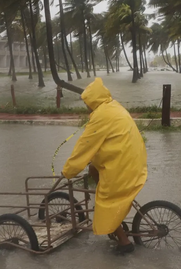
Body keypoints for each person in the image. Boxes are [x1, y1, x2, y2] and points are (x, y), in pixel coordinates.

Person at [62, 77, 148, 254]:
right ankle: (118, 220)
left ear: (93, 101)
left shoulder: (100, 116)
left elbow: (84, 146)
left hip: (123, 166)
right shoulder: (114, 106)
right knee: (93, 168)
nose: (86, 106)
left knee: (105, 202)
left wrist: (68, 171)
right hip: (135, 161)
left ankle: (124, 243)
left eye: (87, 102)